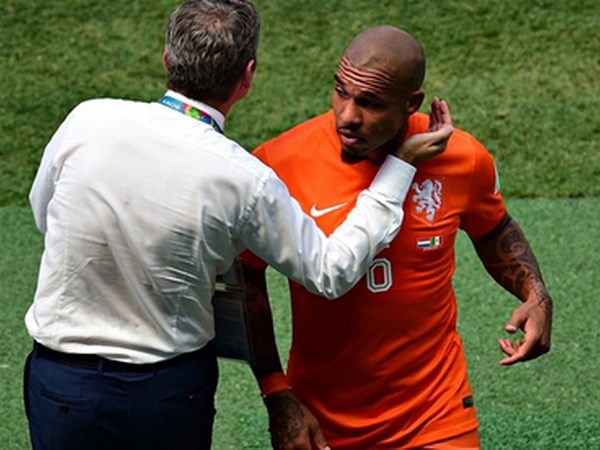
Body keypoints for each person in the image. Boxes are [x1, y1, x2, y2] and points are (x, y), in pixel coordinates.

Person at [23, 2, 454, 448]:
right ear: (246, 77)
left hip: (61, 383)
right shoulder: (244, 178)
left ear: (168, 58)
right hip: (167, 394)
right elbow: (330, 271)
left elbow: (45, 214)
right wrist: (400, 166)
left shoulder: (86, 120)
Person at [241, 26, 553, 449]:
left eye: (370, 103)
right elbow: (244, 276)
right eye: (341, 92)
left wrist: (535, 294)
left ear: (411, 105)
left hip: (436, 415)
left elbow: (495, 228)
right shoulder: (280, 163)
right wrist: (276, 392)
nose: (347, 116)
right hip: (322, 421)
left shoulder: (462, 158)